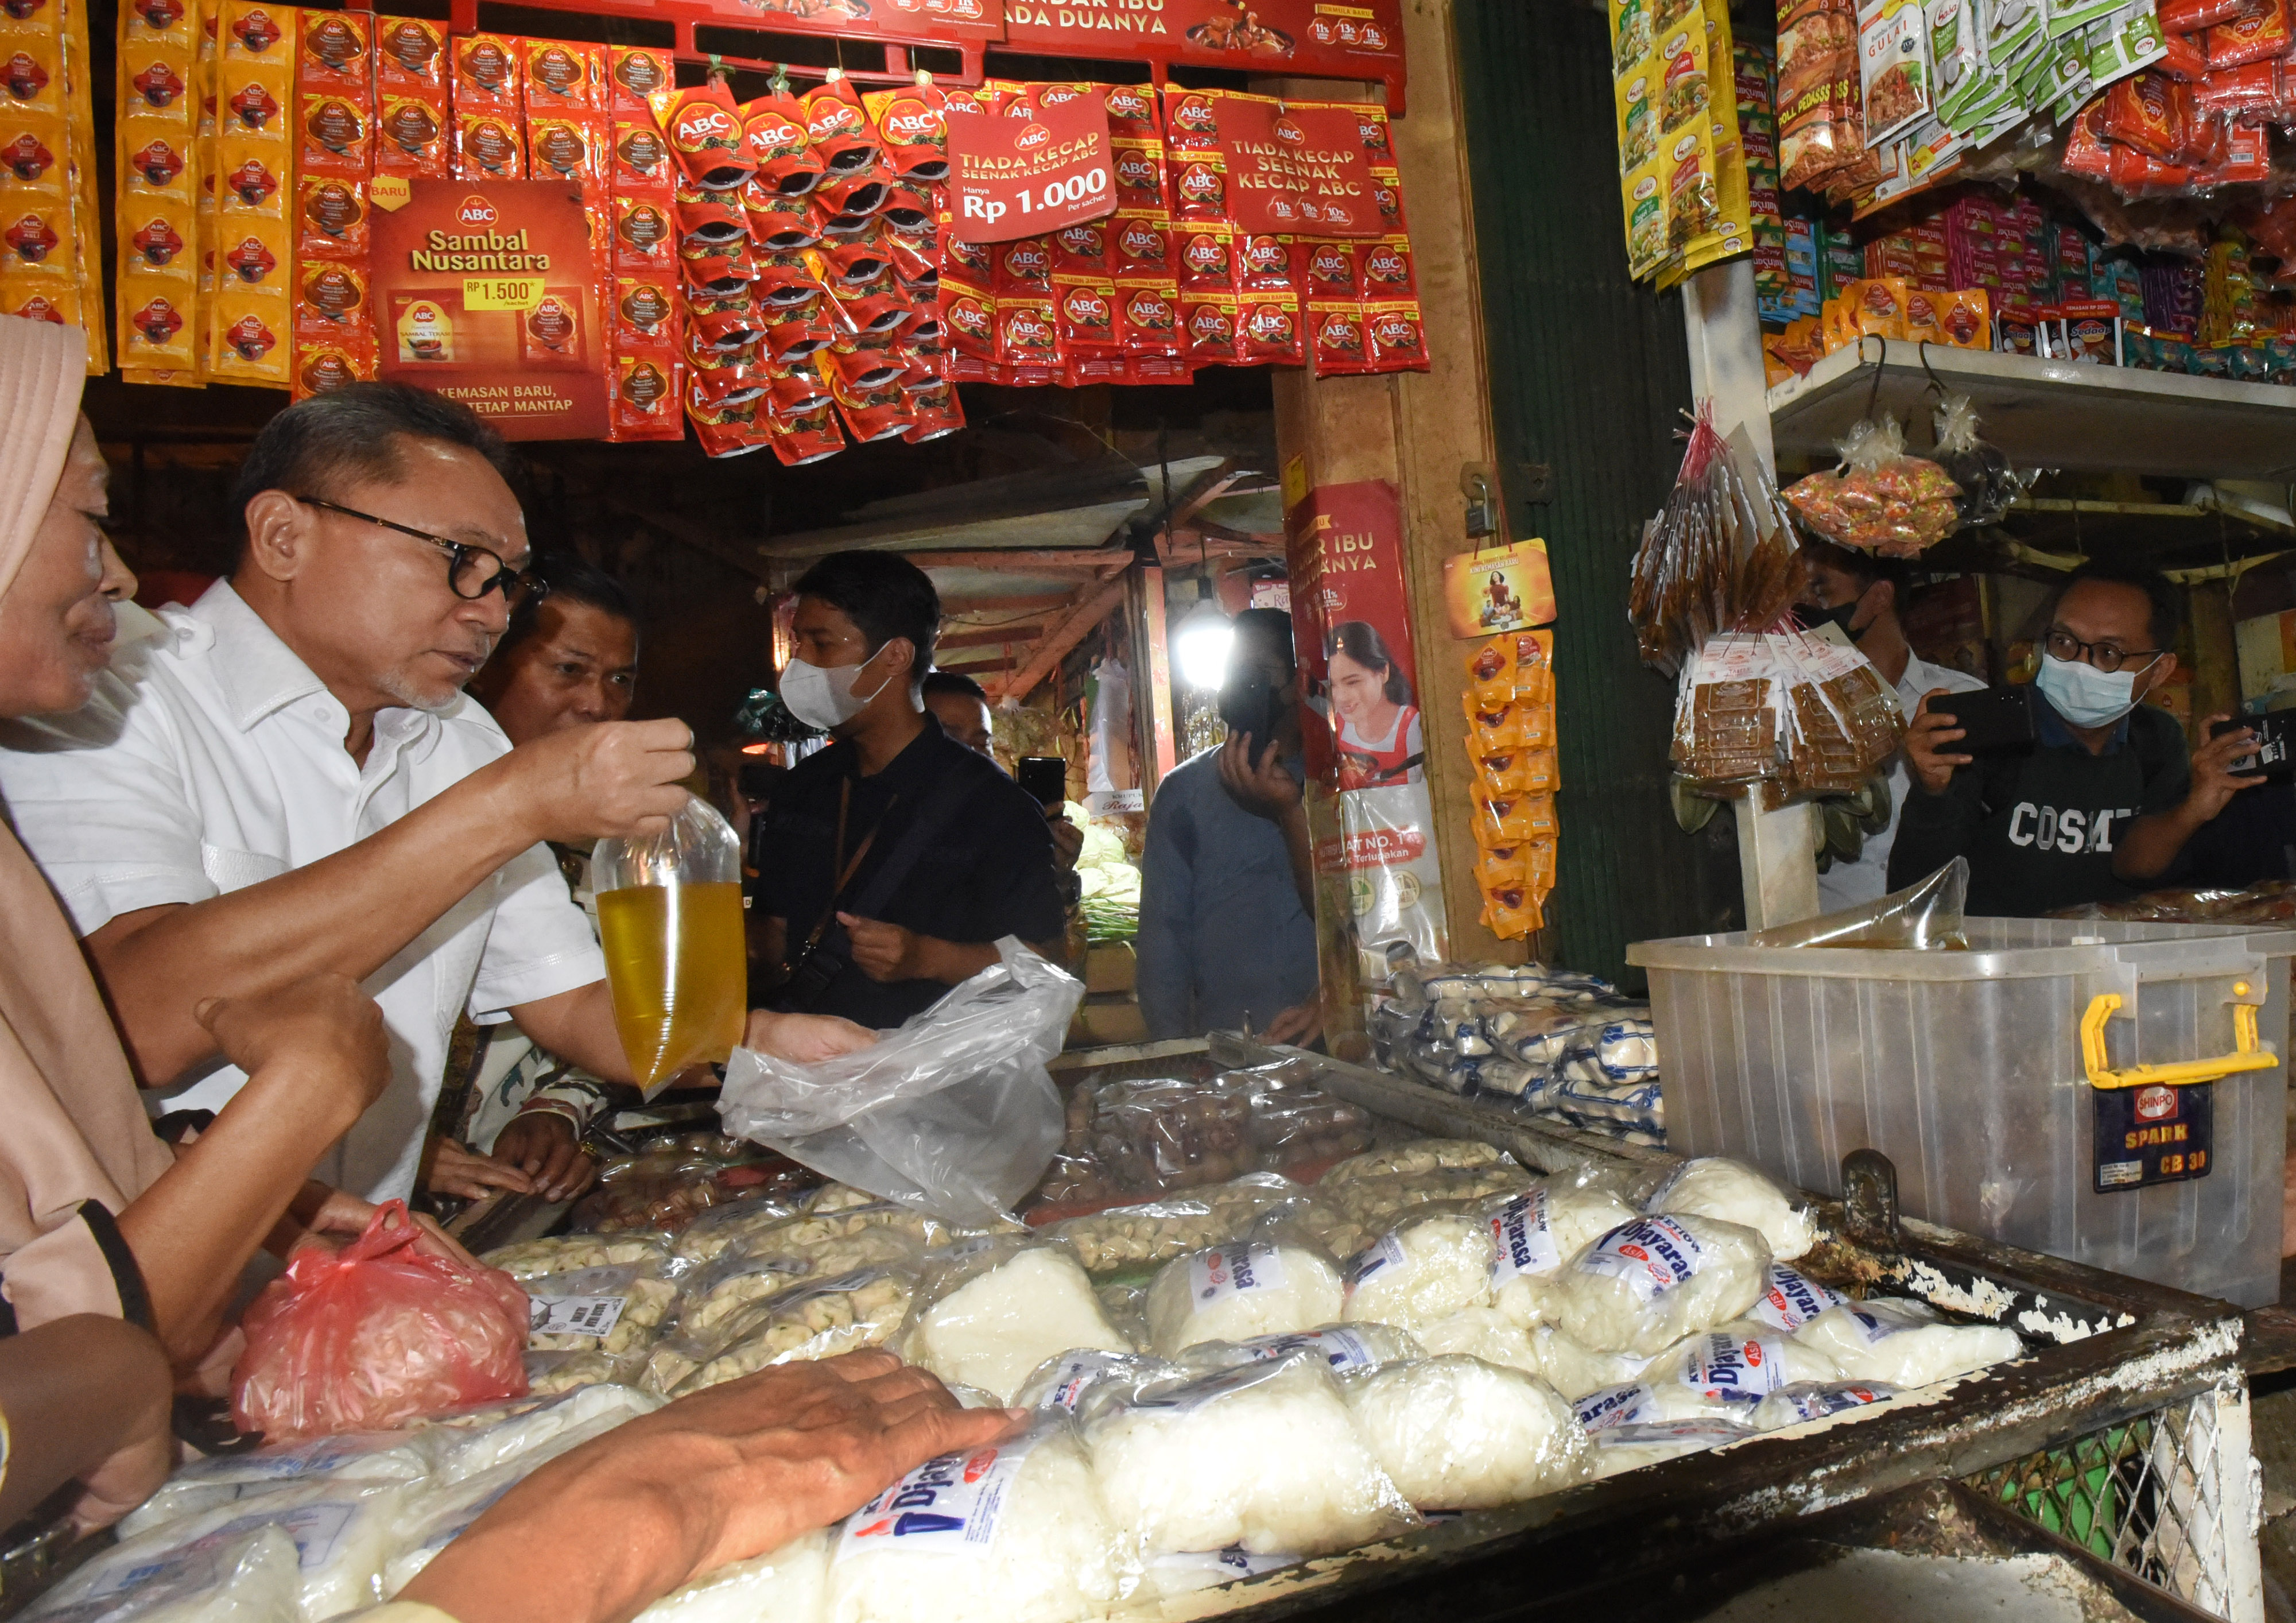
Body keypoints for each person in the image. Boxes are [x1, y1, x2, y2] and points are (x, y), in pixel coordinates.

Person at [0, 381, 868, 1211]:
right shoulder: (117, 692)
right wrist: (509, 806)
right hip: (150, 1276)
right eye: (462, 561)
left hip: (364, 1265)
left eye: (508, 578)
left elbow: (568, 1003)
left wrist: (763, 1041)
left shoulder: (456, 739)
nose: (492, 612)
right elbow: (133, 1022)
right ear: (282, 536)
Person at [0, 315, 418, 1399]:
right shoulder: (130, 707)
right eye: (91, 523)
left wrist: (229, 1193)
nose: (125, 577)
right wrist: (301, 1095)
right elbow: (60, 1365)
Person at [753, 554, 1068, 1027]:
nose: (800, 663)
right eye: (800, 643)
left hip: (937, 1083)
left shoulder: (995, 807)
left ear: (895, 657)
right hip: (808, 1072)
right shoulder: (803, 788)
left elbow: (1046, 961)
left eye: (820, 644)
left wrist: (927, 958)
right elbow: (775, 932)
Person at [424, 550, 645, 1207]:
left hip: (499, 1196)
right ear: (486, 668)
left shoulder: (621, 843)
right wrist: (396, 1145)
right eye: (570, 671)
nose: (598, 704)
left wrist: (553, 1110)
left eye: (621, 679)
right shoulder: (404, 801)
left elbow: (606, 1013)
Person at [1889, 563, 2261, 915]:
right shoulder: (1992, 729)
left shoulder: (2156, 740)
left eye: (2108, 652)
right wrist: (1933, 790)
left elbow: (2136, 865)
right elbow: (1914, 895)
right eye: (2065, 642)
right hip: (2002, 968)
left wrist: (2195, 807)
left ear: (2160, 670)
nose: (2080, 664)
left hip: (2109, 972)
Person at [1138, 608, 1320, 1042]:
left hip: (1332, 1039)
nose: (1240, 686)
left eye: (1256, 672)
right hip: (1230, 1050)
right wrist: (1176, 1055)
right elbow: (1163, 941)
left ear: (1298, 683)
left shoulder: (1340, 778)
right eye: (1231, 674)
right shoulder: (1183, 792)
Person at [1793, 539, 1986, 911]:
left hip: (1933, 944)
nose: (1804, 610)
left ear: (1880, 597)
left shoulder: (1962, 700)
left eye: (1820, 591)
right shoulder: (1792, 707)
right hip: (1831, 948)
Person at [923, 667, 1086, 870]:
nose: (970, 756)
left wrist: (1056, 873)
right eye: (950, 740)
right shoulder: (892, 831)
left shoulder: (1001, 821)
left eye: (982, 743)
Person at [1326, 619, 1424, 789]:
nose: (1340, 697)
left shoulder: (1410, 724)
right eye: (1333, 685)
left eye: (1352, 682)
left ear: (1384, 672)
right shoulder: (1339, 724)